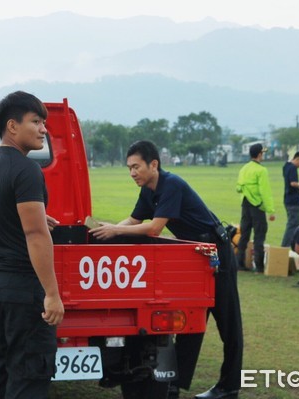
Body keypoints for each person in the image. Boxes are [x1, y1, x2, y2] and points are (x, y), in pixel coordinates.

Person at [89, 140, 243, 399]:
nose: (132, 173)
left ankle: (229, 387)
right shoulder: (148, 189)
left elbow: (153, 229)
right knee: (190, 323)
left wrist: (116, 230)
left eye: (136, 167)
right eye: (129, 168)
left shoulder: (171, 184)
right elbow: (134, 219)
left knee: (228, 324)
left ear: (154, 165)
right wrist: (105, 231)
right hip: (196, 256)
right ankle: (174, 386)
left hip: (218, 254)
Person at [0, 91, 65, 399]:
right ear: (12, 126)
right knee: (29, 372)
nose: (43, 129)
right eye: (36, 122)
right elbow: (35, 235)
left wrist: (32, 217)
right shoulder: (27, 169)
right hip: (21, 287)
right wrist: (52, 294)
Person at [235, 143, 275, 273]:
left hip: (245, 203)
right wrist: (270, 210)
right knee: (259, 235)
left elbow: (238, 187)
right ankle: (259, 266)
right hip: (257, 205)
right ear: (259, 154)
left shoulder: (244, 168)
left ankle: (239, 264)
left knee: (244, 234)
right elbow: (265, 191)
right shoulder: (261, 170)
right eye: (262, 153)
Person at [280, 151, 299, 247]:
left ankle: (293, 244)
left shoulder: (286, 166)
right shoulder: (293, 168)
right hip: (294, 201)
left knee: (294, 224)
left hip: (287, 199)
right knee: (293, 225)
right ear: (298, 159)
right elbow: (293, 183)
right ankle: (285, 245)